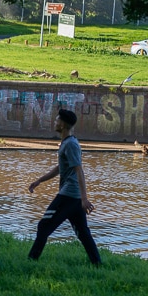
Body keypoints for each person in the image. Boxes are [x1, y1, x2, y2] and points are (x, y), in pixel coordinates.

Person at [27, 108, 102, 265]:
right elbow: (61, 168)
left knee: (44, 226)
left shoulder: (71, 145)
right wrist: (40, 180)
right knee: (83, 232)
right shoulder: (67, 143)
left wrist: (84, 198)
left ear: (63, 124)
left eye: (57, 120)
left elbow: (79, 170)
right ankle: (97, 264)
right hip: (73, 197)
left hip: (69, 195)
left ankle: (31, 261)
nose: (55, 122)